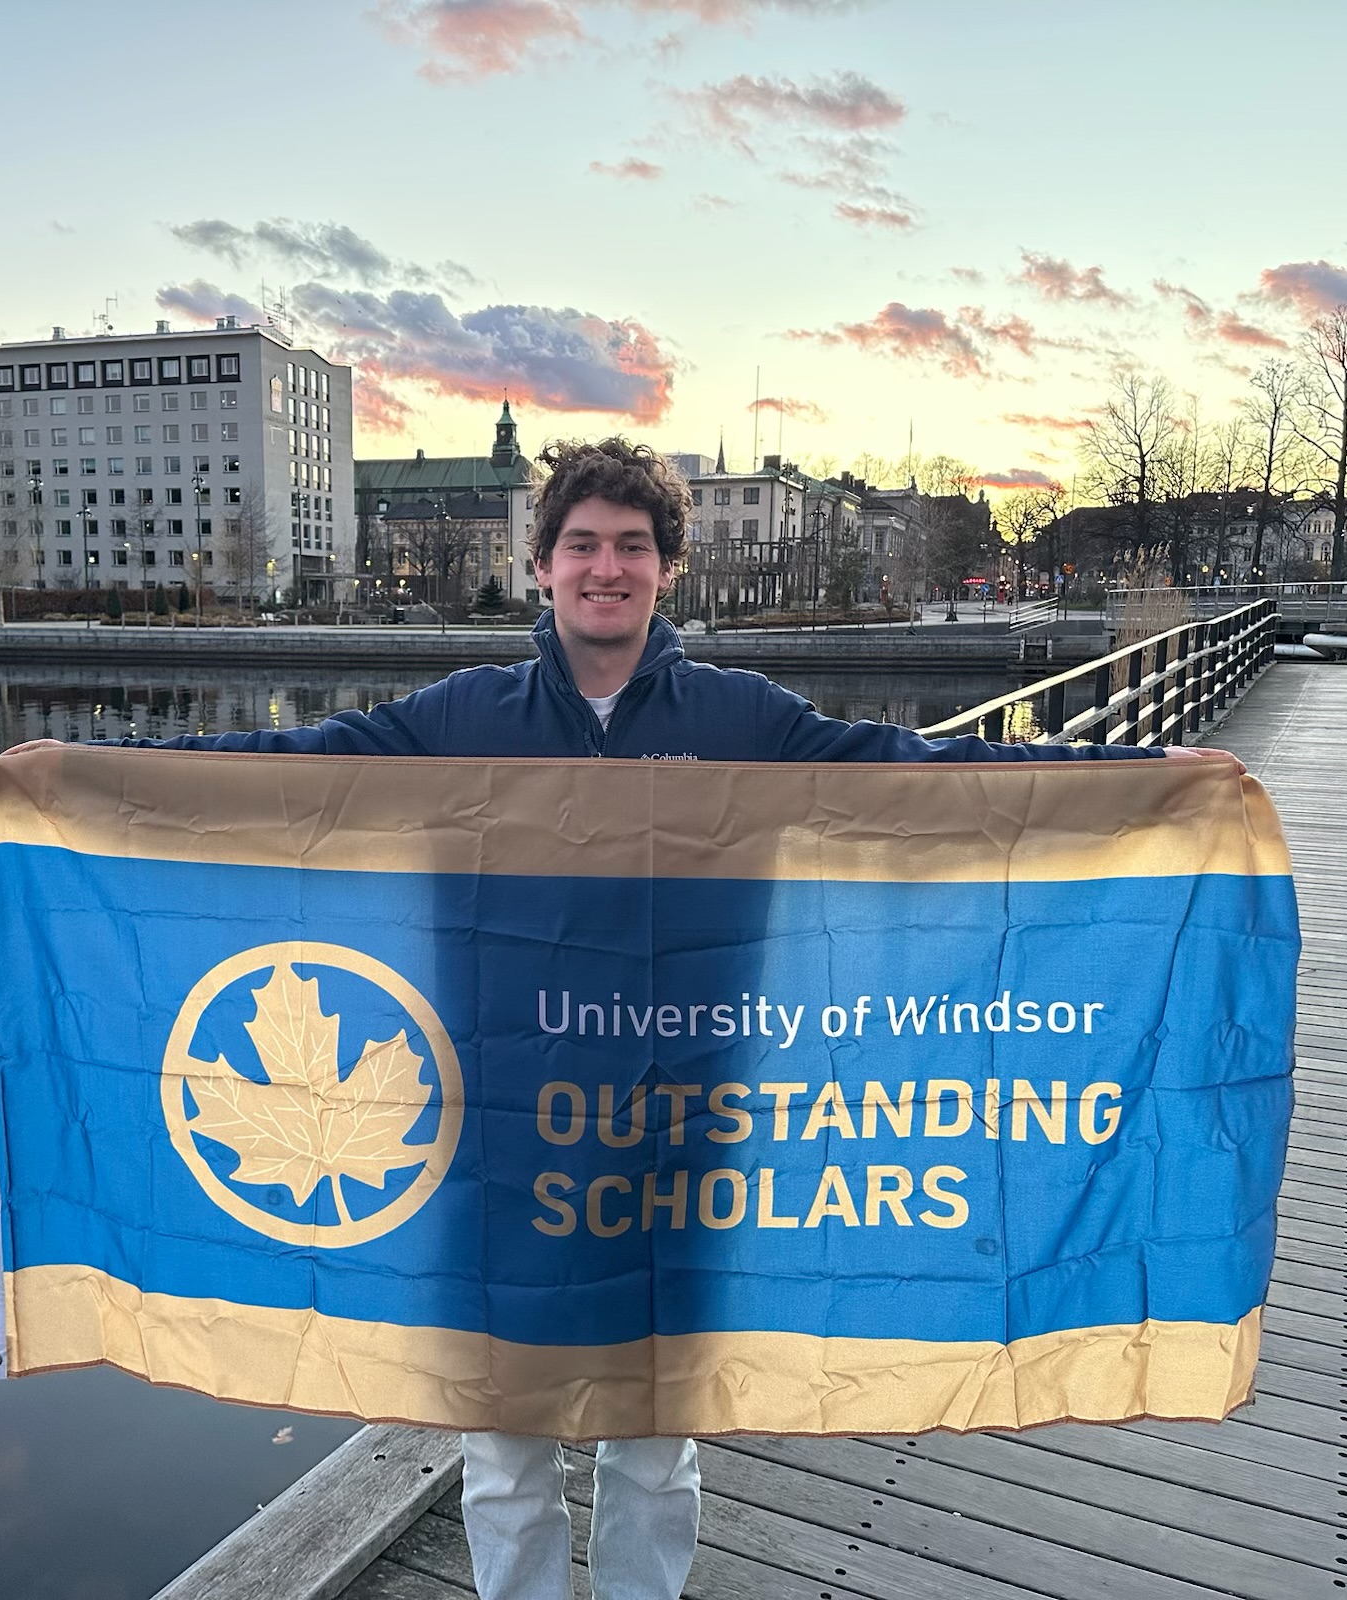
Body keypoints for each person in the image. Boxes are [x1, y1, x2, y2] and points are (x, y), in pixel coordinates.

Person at [110, 438, 1167, 1600]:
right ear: (541, 565)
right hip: (504, 1126)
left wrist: (1136, 782)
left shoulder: (740, 719)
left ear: (668, 568)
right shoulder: (467, 716)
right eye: (581, 546)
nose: (603, 568)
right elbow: (288, 775)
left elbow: (912, 776)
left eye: (629, 547)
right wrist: (99, 776)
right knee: (503, 1435)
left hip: (680, 1122)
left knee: (655, 1437)